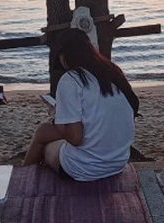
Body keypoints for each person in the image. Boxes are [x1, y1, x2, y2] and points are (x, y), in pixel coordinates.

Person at [23, 28, 139, 181]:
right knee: (44, 130)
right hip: (118, 162)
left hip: (85, 168)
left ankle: (24, 178)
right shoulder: (112, 71)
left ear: (64, 55)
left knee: (45, 142)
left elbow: (75, 138)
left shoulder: (71, 79)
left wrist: (56, 116)